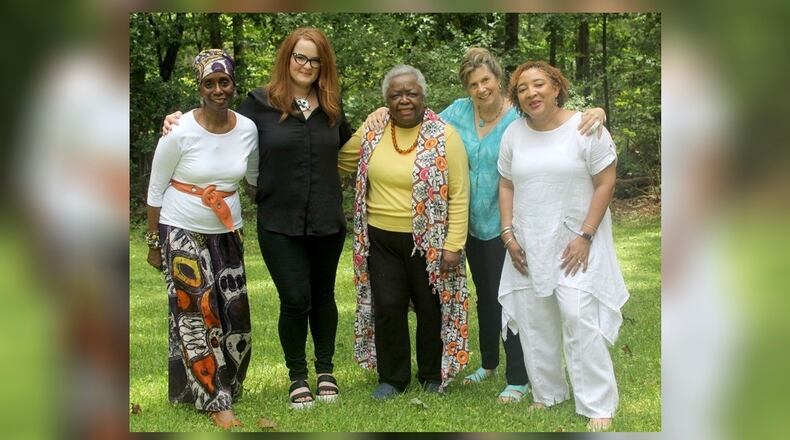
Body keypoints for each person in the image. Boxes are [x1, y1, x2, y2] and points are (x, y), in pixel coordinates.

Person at [364, 48, 606, 403]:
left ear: (498, 79)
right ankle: (489, 363)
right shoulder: (457, 113)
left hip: (508, 223)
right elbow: (418, 117)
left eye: (486, 80)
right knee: (485, 298)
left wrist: (596, 112)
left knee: (513, 299)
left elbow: (558, 118)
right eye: (473, 83)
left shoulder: (519, 114)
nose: (480, 89)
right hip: (468, 225)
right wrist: (383, 110)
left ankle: (518, 377)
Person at [162, 28, 352, 409]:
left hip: (327, 222)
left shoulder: (331, 106)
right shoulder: (259, 103)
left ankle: (326, 370)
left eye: (315, 59)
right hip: (278, 222)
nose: (307, 65)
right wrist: (177, 119)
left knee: (324, 297)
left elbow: (351, 151)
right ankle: (297, 376)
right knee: (295, 298)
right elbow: (215, 121)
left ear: (323, 65)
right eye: (300, 57)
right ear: (287, 58)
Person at [496, 60, 629, 432]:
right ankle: (548, 392)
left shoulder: (587, 128)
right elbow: (506, 183)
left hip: (577, 241)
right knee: (534, 318)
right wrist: (508, 234)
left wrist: (585, 235)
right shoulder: (513, 135)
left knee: (578, 315)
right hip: (528, 240)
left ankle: (597, 402)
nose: (531, 93)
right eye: (522, 89)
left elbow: (606, 181)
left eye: (539, 85)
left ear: (556, 87)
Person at [338, 65, 470, 400]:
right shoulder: (374, 131)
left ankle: (429, 374)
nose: (404, 99)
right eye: (396, 95)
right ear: (386, 101)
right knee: (388, 307)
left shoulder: (444, 136)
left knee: (430, 308)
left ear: (424, 96)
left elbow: (459, 192)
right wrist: (368, 121)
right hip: (380, 239)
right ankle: (392, 378)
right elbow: (340, 161)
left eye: (411, 92)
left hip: (429, 241)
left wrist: (453, 244)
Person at [146, 49, 259, 429]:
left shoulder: (247, 128)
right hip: (181, 226)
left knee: (236, 315)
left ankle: (212, 384)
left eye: (223, 81)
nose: (217, 89)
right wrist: (152, 242)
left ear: (232, 84)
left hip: (228, 229)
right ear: (199, 87)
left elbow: (256, 179)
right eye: (209, 83)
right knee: (197, 313)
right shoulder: (178, 130)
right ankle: (215, 400)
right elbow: (156, 188)